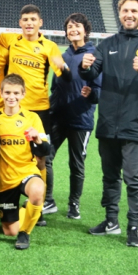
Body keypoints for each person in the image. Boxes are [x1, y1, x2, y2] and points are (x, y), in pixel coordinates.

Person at [80, 0, 138, 247]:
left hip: (137, 124)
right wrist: (85, 66)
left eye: (134, 11)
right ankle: (111, 222)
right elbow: (91, 73)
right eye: (125, 11)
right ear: (119, 14)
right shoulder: (108, 44)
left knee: (134, 179)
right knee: (109, 177)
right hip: (108, 123)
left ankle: (134, 226)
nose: (129, 15)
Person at [7, 4, 70, 220]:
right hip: (13, 108)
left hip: (40, 109)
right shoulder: (11, 40)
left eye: (33, 19)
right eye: (25, 19)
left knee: (43, 157)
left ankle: (42, 203)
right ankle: (11, 199)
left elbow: (64, 76)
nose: (29, 23)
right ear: (20, 23)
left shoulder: (49, 46)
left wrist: (65, 69)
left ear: (40, 22)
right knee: (11, 154)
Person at [46, 13, 101, 220]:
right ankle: (48, 200)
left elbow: (99, 90)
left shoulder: (95, 55)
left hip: (81, 119)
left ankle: (74, 204)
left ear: (85, 30)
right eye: (70, 27)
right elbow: (55, 86)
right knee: (45, 157)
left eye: (77, 26)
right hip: (58, 118)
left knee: (76, 164)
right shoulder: (63, 56)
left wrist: (92, 94)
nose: (73, 30)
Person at [0, 74, 50, 250]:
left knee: (38, 190)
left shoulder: (32, 118)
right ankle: (28, 209)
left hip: (26, 172)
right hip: (5, 181)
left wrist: (38, 140)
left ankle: (25, 233)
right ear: (1, 93)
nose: (11, 97)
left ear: (23, 94)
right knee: (9, 231)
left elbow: (47, 150)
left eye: (16, 93)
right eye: (7, 92)